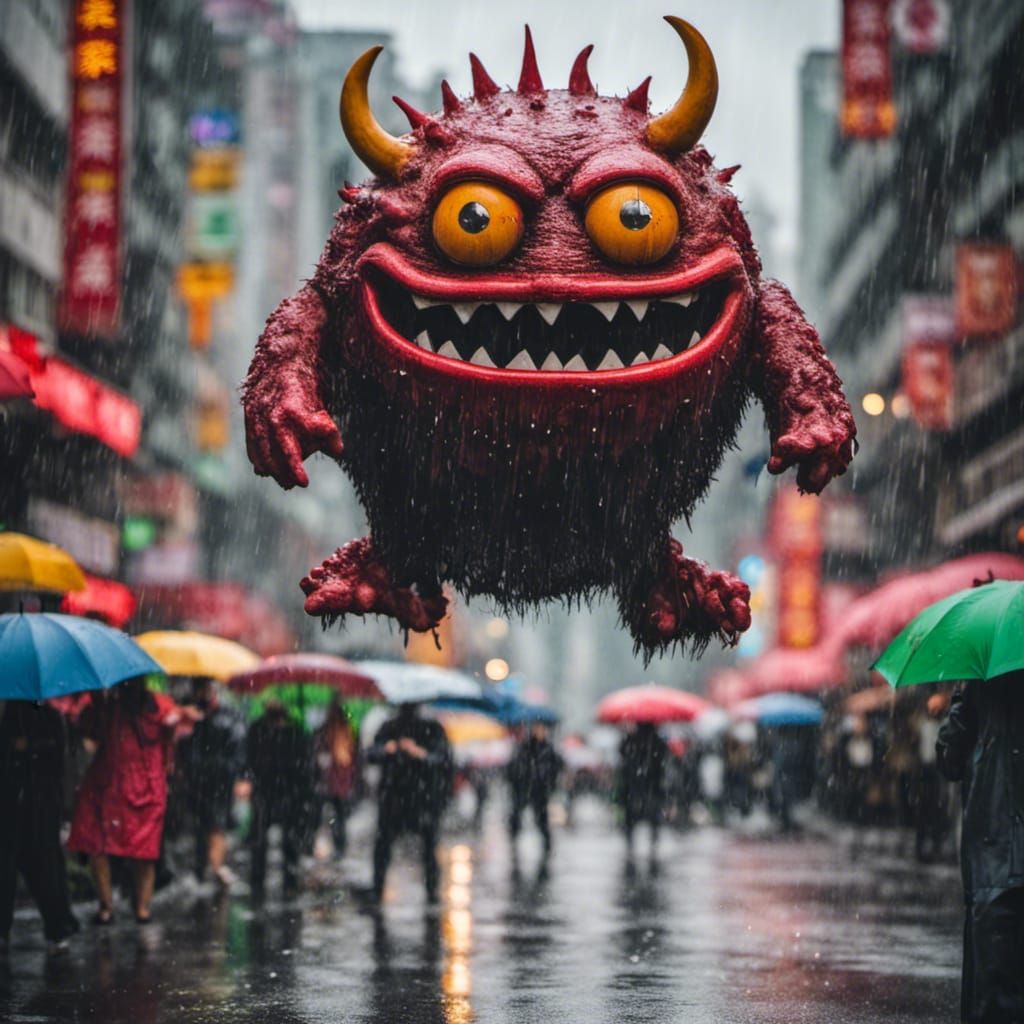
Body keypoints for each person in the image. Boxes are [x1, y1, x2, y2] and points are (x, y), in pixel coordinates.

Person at [937, 672, 1024, 1023]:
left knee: (993, 976)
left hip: (996, 841)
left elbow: (949, 757)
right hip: (997, 840)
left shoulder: (984, 678)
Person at [67, 679, 184, 924]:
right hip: (141, 784)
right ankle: (140, 907)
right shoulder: (161, 707)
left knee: (101, 843)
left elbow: (90, 730)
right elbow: (170, 741)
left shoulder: (113, 706)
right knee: (143, 849)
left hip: (112, 782)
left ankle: (109, 906)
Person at [0, 700, 79, 955]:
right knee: (7, 868)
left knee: (43, 867)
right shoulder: (11, 716)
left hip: (40, 805)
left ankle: (57, 927)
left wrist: (29, 747)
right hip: (12, 803)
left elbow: (59, 756)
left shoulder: (50, 717)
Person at [367, 703, 453, 903]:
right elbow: (372, 754)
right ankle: (377, 889)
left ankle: (432, 892)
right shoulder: (388, 727)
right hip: (393, 798)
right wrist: (388, 749)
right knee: (383, 846)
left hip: (422, 799)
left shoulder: (432, 728)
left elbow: (442, 759)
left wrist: (418, 752)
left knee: (429, 847)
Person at [178, 678, 246, 887]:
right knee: (200, 827)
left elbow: (237, 746)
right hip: (197, 780)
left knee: (217, 824)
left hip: (220, 780)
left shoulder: (228, 715)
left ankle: (214, 867)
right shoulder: (188, 713)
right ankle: (202, 869)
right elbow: (184, 746)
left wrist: (237, 775)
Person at [246, 700, 314, 899]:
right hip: (264, 791)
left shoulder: (297, 731)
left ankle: (290, 883)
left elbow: (305, 766)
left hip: (290, 793)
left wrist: (304, 792)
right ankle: (257, 884)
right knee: (259, 841)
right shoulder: (257, 729)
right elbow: (250, 758)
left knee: (290, 841)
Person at [507, 722, 563, 854]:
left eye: (542, 729)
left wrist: (549, 781)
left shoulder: (548, 748)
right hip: (524, 787)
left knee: (541, 818)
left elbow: (557, 766)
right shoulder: (525, 747)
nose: (540, 732)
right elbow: (514, 766)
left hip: (540, 789)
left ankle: (547, 844)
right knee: (517, 815)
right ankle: (514, 840)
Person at [315, 699, 361, 858]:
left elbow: (352, 760)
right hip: (335, 782)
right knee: (335, 816)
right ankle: (337, 846)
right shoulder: (342, 733)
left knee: (335, 816)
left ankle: (337, 846)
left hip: (335, 781)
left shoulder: (340, 733)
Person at [618, 723, 668, 849]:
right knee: (652, 810)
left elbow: (622, 753)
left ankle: (631, 835)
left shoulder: (632, 739)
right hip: (649, 782)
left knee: (633, 810)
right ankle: (652, 836)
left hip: (636, 781)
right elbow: (663, 759)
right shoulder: (657, 740)